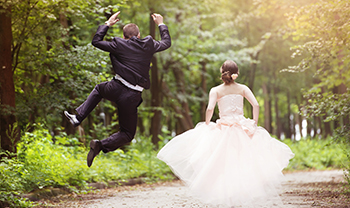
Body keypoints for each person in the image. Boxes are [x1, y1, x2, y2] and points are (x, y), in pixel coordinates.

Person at [157, 60, 295, 207]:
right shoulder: (243, 88)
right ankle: (241, 196)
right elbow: (256, 104)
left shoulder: (216, 90)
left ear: (222, 71)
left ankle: (227, 198)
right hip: (242, 129)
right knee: (243, 162)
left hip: (224, 129)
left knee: (222, 164)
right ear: (237, 73)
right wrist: (253, 123)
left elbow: (210, 108)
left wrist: (208, 124)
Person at [64, 11, 171, 167]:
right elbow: (166, 42)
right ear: (139, 35)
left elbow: (96, 41)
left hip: (116, 87)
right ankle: (100, 144)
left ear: (124, 36)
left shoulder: (118, 44)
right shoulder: (148, 44)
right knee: (127, 133)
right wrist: (160, 23)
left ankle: (78, 118)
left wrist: (107, 23)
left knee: (100, 89)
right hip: (132, 95)